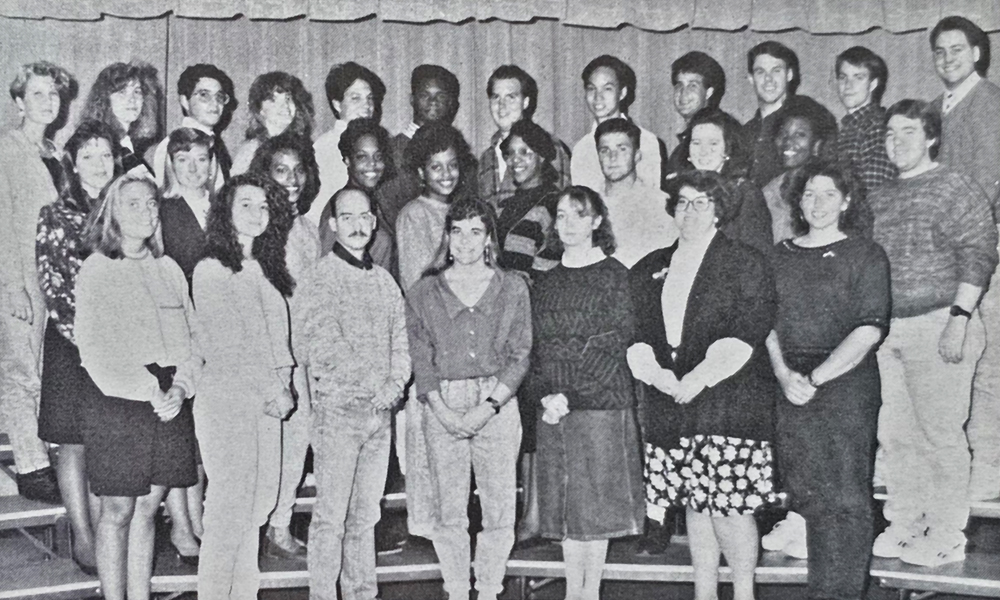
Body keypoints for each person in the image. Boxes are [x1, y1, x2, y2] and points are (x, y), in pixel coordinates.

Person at [629, 170, 778, 600]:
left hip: (727, 400)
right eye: (682, 202)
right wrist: (660, 376)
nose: (690, 211)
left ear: (719, 209)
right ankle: (705, 593)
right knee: (696, 501)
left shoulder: (744, 261)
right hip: (673, 401)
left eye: (701, 202)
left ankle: (745, 593)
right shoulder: (651, 266)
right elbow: (636, 333)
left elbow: (750, 326)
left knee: (728, 506)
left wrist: (700, 377)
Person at [871, 99, 998, 566]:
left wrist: (959, 319)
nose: (897, 141)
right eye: (889, 134)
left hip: (942, 323)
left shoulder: (955, 187)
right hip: (890, 332)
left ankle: (945, 531)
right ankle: (905, 523)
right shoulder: (879, 197)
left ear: (930, 137)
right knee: (896, 435)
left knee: (941, 434)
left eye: (907, 132)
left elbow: (978, 253)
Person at [765, 161, 890, 598]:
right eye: (809, 194)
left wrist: (814, 378)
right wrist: (784, 374)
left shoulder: (865, 253)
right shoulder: (780, 254)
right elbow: (766, 323)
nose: (817, 204)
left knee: (847, 502)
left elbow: (869, 329)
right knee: (811, 498)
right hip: (791, 385)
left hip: (844, 385)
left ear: (847, 201)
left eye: (829, 194)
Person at [75, 172, 200, 600]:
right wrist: (144, 388)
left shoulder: (169, 269)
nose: (146, 212)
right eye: (133, 204)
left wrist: (182, 387)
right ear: (112, 212)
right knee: (118, 510)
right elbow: (93, 349)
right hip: (118, 399)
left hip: (169, 398)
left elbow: (191, 340)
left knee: (149, 507)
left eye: (151, 204)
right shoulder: (97, 269)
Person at [406, 199, 530, 600]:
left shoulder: (512, 286)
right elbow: (419, 356)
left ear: (489, 238)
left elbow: (520, 354)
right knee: (449, 514)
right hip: (443, 402)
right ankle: (457, 590)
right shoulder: (425, 290)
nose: (466, 241)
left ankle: (490, 590)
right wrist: (442, 410)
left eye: (476, 231)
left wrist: (489, 405)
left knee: (498, 512)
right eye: (457, 230)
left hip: (496, 400)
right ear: (446, 237)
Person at [526, 186, 644, 600]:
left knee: (594, 512)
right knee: (565, 509)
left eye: (578, 215)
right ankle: (573, 591)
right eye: (560, 216)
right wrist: (545, 395)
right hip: (555, 408)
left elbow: (614, 342)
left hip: (599, 407)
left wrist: (567, 396)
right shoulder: (546, 282)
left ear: (597, 221)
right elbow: (536, 348)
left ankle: (587, 593)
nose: (568, 224)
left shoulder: (616, 275)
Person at [292, 186, 410, 600]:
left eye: (365, 217)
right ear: (333, 224)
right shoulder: (319, 277)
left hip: (380, 416)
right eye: (348, 217)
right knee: (331, 518)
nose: (358, 225)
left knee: (365, 517)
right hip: (339, 414)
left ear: (375, 223)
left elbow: (401, 337)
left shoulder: (383, 280)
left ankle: (362, 593)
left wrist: (395, 385)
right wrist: (374, 385)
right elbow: (324, 344)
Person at [192, 172, 296, 599]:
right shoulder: (211, 269)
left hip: (266, 406)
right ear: (226, 213)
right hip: (229, 403)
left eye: (264, 206)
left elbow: (276, 340)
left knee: (253, 514)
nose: (256, 214)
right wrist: (275, 390)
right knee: (227, 515)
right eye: (245, 205)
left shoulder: (266, 269)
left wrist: (282, 387)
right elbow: (228, 344)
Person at [36, 120, 120, 575]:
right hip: (73, 342)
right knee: (72, 442)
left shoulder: (124, 208)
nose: (98, 163)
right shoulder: (56, 213)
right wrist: (88, 339)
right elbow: (54, 284)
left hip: (117, 344)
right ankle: (82, 538)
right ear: (73, 163)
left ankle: (106, 533)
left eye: (105, 154)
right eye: (88, 155)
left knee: (103, 440)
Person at [927, 16, 1000, 502]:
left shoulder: (991, 103)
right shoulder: (932, 109)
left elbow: (990, 183)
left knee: (988, 364)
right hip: (940, 261)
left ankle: (989, 470)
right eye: (940, 51)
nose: (948, 58)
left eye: (957, 49)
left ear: (977, 52)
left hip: (982, 252)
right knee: (945, 366)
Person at [397, 121, 478, 547]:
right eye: (435, 167)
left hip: (466, 343)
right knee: (428, 436)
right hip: (432, 340)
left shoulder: (466, 211)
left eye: (451, 165)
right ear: (420, 172)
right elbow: (417, 285)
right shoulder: (414, 214)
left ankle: (453, 522)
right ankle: (424, 527)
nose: (445, 174)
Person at [0, 60, 76, 504]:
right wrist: (13, 287)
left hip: (53, 275)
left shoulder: (54, 152)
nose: (48, 102)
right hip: (20, 275)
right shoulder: (8, 151)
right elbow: (4, 224)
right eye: (38, 95)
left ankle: (47, 453)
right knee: (21, 371)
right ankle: (30, 466)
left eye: (54, 95)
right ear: (18, 102)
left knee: (48, 370)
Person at [246, 132, 322, 558]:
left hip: (304, 353)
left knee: (298, 439)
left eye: (298, 170)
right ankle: (260, 526)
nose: (291, 179)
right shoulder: (260, 228)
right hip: (273, 354)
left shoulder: (307, 228)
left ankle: (279, 524)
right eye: (280, 170)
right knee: (268, 444)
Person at [668, 108, 773, 254]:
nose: (703, 151)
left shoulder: (746, 194)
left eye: (713, 143)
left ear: (728, 149)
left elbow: (757, 256)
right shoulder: (680, 191)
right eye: (696, 143)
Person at [381, 64, 467, 232]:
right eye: (424, 95)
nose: (433, 102)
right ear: (412, 100)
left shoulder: (457, 150)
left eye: (440, 96)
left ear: (451, 103)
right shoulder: (391, 150)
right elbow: (387, 212)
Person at [477, 65, 571, 209]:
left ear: (525, 102)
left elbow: (563, 206)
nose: (502, 105)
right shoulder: (486, 159)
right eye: (496, 97)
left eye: (511, 97)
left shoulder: (551, 147)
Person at [570, 55, 663, 194]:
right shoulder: (581, 149)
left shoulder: (646, 141)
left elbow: (650, 197)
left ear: (622, 93)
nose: (598, 97)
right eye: (591, 89)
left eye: (607, 89)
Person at [317, 117, 397, 274]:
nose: (372, 164)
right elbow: (327, 272)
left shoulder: (376, 202)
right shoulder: (339, 207)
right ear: (347, 160)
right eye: (362, 157)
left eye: (378, 157)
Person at [595, 118, 678, 268]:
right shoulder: (588, 205)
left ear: (637, 156)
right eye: (604, 150)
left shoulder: (660, 205)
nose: (612, 158)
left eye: (622, 149)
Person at [313, 62, 386, 228]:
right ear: (337, 105)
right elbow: (320, 211)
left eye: (369, 98)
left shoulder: (377, 142)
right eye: (355, 98)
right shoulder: (326, 147)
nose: (366, 106)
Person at [761, 97, 839, 244]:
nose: (788, 141)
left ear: (816, 145)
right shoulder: (768, 193)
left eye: (800, 134)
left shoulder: (830, 190)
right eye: (783, 134)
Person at [151, 64, 237, 188]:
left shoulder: (214, 143)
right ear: (185, 101)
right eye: (204, 95)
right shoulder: (173, 144)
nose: (214, 103)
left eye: (219, 97)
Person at [495, 118, 560, 276]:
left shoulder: (554, 203)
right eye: (510, 153)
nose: (515, 160)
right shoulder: (503, 206)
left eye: (525, 152)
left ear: (542, 156)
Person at [743, 41, 811, 188]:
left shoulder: (808, 125)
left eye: (776, 70)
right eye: (760, 72)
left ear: (789, 75)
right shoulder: (744, 132)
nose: (768, 79)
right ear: (750, 79)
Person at [832, 47, 897, 196]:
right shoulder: (849, 127)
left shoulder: (877, 126)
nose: (848, 85)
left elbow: (876, 191)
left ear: (873, 84)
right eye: (843, 77)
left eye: (858, 77)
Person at [81, 61, 163, 173]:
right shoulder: (97, 144)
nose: (132, 99)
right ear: (105, 99)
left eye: (137, 92)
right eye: (122, 92)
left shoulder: (129, 145)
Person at [231, 71, 315, 176]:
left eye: (288, 99)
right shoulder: (251, 149)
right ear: (260, 109)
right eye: (273, 100)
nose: (284, 105)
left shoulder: (302, 146)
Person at [665, 52, 727, 176]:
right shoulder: (683, 146)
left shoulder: (724, 133)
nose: (683, 93)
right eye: (679, 85)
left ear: (709, 92)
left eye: (692, 85)